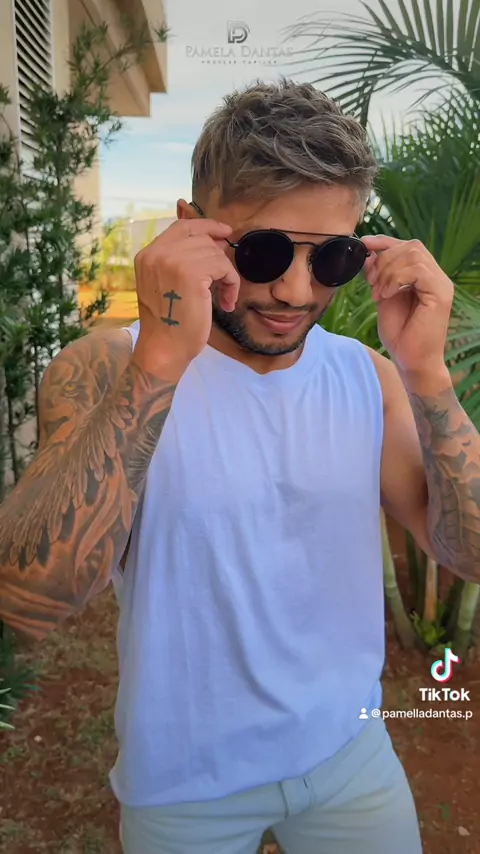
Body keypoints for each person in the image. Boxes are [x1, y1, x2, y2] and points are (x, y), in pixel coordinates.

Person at [0, 79, 479, 854]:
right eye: (263, 251)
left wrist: (427, 376)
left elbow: (468, 553)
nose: (294, 289)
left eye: (331, 257)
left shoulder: (369, 378)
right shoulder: (106, 370)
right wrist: (159, 361)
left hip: (350, 757)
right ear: (191, 227)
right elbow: (30, 596)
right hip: (185, 785)